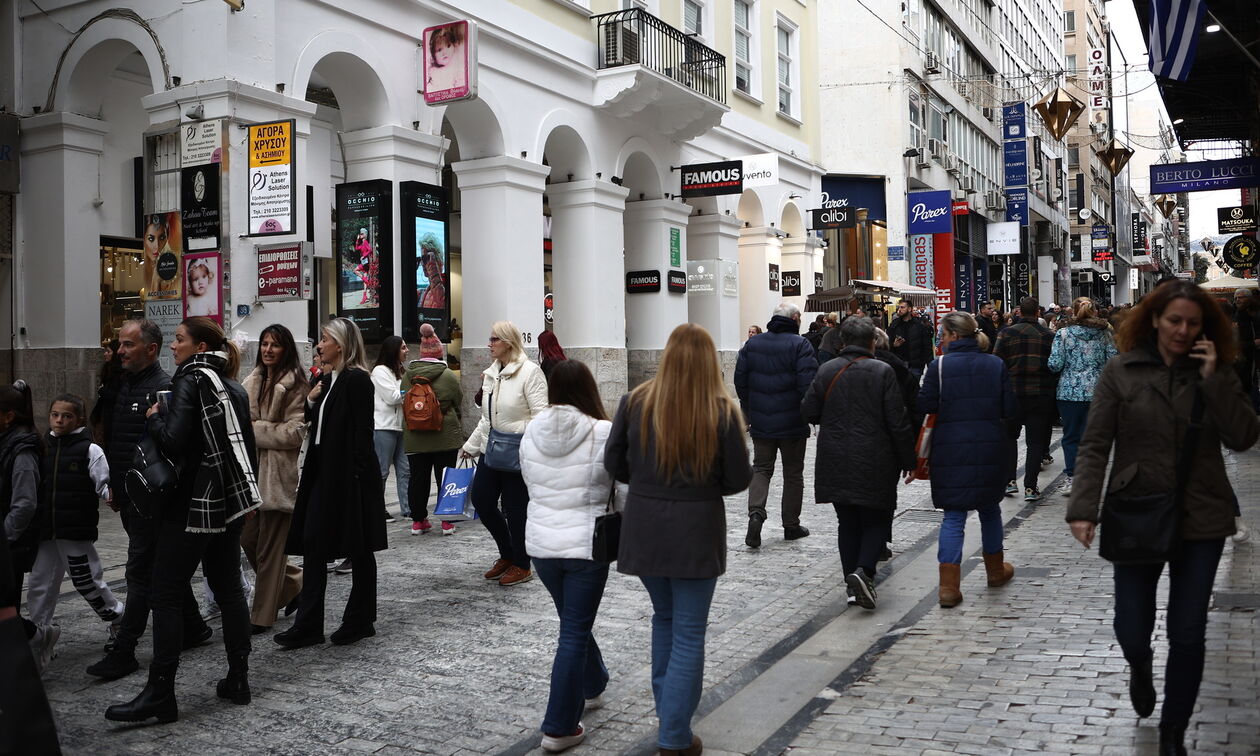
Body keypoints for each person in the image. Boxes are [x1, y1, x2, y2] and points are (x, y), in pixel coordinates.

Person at [1066, 280, 1258, 755]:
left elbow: (1242, 437)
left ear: (1205, 328)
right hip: (1138, 508)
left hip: (1202, 515)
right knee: (1131, 625)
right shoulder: (1121, 370)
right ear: (1154, 319)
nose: (1183, 330)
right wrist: (1083, 509)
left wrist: (1214, 378)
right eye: (1174, 320)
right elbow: (1094, 444)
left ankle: (1174, 730)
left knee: (1188, 630)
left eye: (1193, 323)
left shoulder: (1216, 369)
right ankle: (1139, 663)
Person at [105, 317, 261, 723]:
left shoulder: (190, 380)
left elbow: (173, 441)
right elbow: (247, 449)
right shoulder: (235, 389)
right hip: (227, 506)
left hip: (190, 508)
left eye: (179, 340)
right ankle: (238, 678)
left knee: (166, 592)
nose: (174, 346)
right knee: (228, 591)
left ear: (200, 346)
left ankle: (161, 692)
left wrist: (154, 417)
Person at [606, 324, 751, 756]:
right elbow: (738, 477)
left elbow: (615, 462)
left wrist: (650, 484)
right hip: (696, 528)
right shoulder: (721, 411)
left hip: (645, 524)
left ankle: (668, 714)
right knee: (688, 631)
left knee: (664, 621)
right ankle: (673, 734)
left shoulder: (635, 402)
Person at [87, 320, 210, 681]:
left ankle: (126, 649)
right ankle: (194, 627)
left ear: (150, 349)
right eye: (120, 345)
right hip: (128, 495)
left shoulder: (165, 389)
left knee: (139, 572)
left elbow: (173, 448)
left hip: (153, 500)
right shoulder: (122, 385)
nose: (120, 351)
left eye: (128, 345)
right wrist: (113, 485)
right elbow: (117, 441)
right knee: (158, 568)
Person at [520, 361, 620, 753]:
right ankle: (559, 726)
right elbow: (620, 486)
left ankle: (593, 683)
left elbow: (529, 481)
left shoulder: (531, 431)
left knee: (572, 620)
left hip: (543, 546)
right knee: (574, 630)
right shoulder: (602, 431)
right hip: (586, 544)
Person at [276, 318, 386, 649]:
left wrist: (355, 476)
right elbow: (319, 426)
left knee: (359, 547)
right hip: (323, 471)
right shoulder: (327, 380)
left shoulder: (356, 380)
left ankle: (360, 619)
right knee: (314, 543)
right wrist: (310, 402)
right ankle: (309, 625)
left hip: (350, 477)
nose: (319, 345)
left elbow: (363, 433)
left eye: (324, 339)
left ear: (340, 344)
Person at [801, 317, 915, 610]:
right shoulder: (882, 371)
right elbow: (897, 420)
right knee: (877, 517)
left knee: (847, 521)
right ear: (872, 342)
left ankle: (852, 586)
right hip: (877, 456)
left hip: (835, 455)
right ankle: (863, 571)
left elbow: (809, 410)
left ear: (842, 342)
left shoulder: (827, 369)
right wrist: (909, 460)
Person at [917, 312, 1015, 608]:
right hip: (989, 446)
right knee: (989, 509)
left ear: (954, 336)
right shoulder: (995, 364)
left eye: (943, 335)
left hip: (950, 449)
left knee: (954, 515)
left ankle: (949, 587)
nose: (941, 340)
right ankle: (995, 570)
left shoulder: (940, 367)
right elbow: (1009, 408)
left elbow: (925, 405)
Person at [25, 394, 123, 666]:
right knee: (39, 584)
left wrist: (111, 496)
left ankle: (117, 620)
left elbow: (103, 482)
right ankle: (41, 634)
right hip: (46, 531)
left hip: (74, 531)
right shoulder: (43, 446)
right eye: (55, 414)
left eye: (66, 416)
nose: (59, 420)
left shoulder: (90, 450)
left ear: (78, 419)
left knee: (87, 580)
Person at [461, 321, 548, 587]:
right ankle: (507, 553)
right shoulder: (491, 374)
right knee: (482, 500)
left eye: (494, 339)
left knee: (516, 509)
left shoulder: (530, 372)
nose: (489, 343)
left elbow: (542, 417)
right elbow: (487, 418)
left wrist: (512, 432)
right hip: (491, 449)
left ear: (508, 342)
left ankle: (522, 564)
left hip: (517, 452)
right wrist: (471, 445)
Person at [240, 324, 307, 635]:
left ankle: (261, 615)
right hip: (251, 473)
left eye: (275, 345)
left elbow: (294, 433)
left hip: (279, 476)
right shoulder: (250, 382)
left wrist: (256, 429)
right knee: (249, 539)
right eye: (264, 344)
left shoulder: (295, 384)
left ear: (286, 349)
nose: (267, 349)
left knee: (270, 549)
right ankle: (295, 582)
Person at [733, 302, 817, 548]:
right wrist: (809, 413)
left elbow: (741, 381)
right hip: (792, 422)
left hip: (761, 421)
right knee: (793, 473)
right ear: (793, 318)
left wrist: (749, 409)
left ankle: (756, 514)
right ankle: (791, 525)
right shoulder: (800, 345)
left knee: (761, 468)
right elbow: (808, 385)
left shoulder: (753, 344)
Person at [1047, 297, 1116, 497]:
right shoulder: (1105, 333)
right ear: (1094, 311)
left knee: (1071, 437)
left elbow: (1055, 364)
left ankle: (1072, 478)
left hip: (1069, 392)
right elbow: (1112, 361)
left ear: (1074, 312)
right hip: (1099, 392)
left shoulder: (1063, 333)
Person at [0, 381, 48, 662]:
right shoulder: (6, 441)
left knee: (6, 612)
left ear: (9, 416)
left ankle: (38, 637)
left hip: (12, 545)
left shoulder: (23, 449)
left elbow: (24, 504)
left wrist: (4, 538)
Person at [994, 296, 1056, 501]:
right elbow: (1054, 365)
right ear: (1038, 313)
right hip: (1040, 393)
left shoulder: (1006, 333)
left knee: (1010, 438)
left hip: (1012, 393)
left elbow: (997, 363)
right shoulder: (1049, 335)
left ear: (1019, 312)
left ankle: (1010, 481)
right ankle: (1030, 486)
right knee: (1035, 442)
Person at [404, 323, 463, 536]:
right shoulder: (448, 375)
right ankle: (447, 522)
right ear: (439, 352)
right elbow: (459, 400)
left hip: (415, 435)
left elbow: (403, 398)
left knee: (417, 478)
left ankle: (418, 521)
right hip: (443, 435)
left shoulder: (408, 375)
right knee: (445, 477)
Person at [371, 335, 411, 524]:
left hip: (401, 427)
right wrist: (411, 391)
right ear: (393, 350)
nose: (407, 351)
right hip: (384, 427)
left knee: (405, 470)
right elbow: (392, 397)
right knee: (382, 470)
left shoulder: (401, 371)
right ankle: (378, 509)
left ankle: (407, 508)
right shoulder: (379, 371)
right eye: (403, 348)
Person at [887, 298, 934, 382]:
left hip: (916, 365)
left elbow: (927, 346)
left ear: (909, 309)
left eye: (902, 307)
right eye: (899, 307)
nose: (899, 310)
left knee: (914, 391)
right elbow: (886, 345)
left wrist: (930, 365)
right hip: (899, 365)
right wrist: (893, 345)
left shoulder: (919, 325)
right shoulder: (894, 325)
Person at [89, 338, 122, 445]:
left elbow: (117, 395)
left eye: (108, 351)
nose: (105, 354)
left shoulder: (120, 374)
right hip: (104, 414)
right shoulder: (107, 370)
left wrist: (103, 391)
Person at [426, 22, 467, 93]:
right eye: (439, 50)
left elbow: (461, 84)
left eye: (448, 46)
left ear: (454, 46)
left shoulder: (457, 67)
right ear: (433, 55)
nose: (444, 53)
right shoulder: (431, 70)